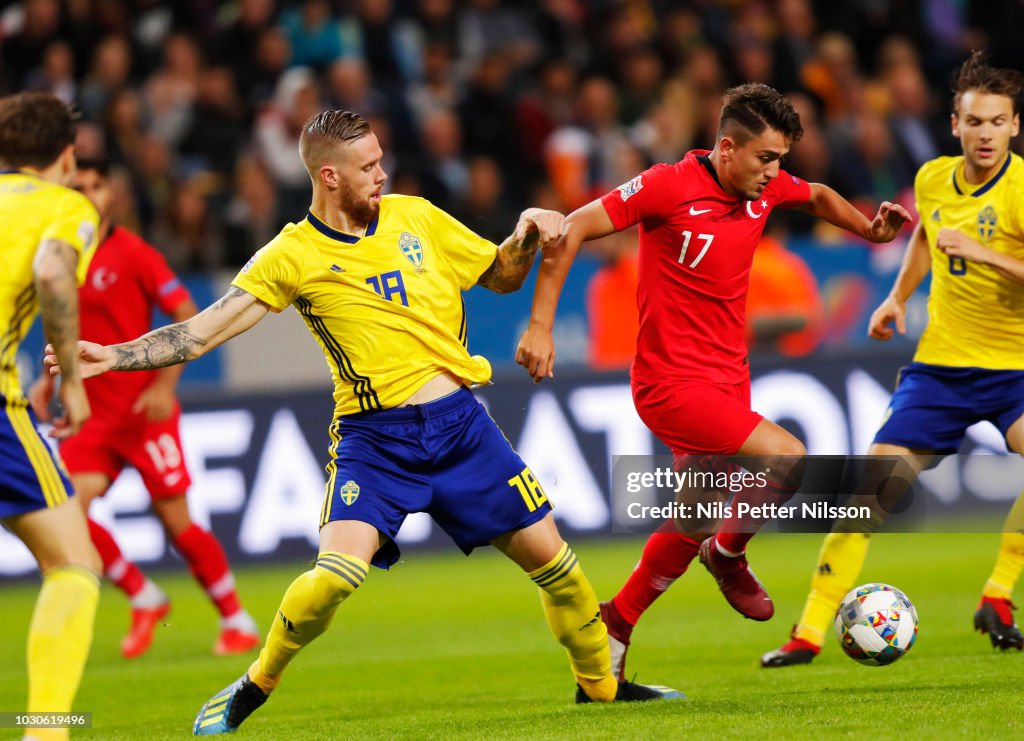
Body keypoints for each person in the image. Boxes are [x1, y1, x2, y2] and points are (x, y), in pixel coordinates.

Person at [45, 110, 682, 737]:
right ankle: (257, 681)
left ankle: (601, 688)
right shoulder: (291, 254)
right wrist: (114, 356)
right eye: (368, 167)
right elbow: (200, 330)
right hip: (375, 442)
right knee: (334, 579)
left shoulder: (418, 217)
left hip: (462, 427)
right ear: (328, 176)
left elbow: (503, 277)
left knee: (563, 570)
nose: (382, 174)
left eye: (381, 160)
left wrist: (524, 236)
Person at [515, 83, 911, 680]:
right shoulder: (666, 185)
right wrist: (541, 326)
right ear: (726, 148)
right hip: (670, 382)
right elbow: (568, 229)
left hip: (729, 379)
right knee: (790, 457)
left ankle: (616, 624)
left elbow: (821, 195)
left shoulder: (766, 184)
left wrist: (870, 230)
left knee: (693, 516)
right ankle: (728, 555)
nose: (774, 173)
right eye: (764, 159)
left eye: (780, 160)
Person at [762, 51, 1024, 667]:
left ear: (1015, 127)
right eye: (974, 121)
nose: (985, 133)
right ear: (954, 124)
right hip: (941, 370)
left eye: (998, 122)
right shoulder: (934, 179)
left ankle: (999, 596)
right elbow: (928, 239)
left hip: (1015, 370)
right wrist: (896, 297)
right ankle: (808, 632)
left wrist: (987, 256)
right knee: (871, 494)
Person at [28, 157, 261, 660]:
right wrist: (44, 381)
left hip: (140, 411)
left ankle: (235, 618)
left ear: (110, 192)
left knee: (176, 523)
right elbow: (59, 322)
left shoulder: (135, 254)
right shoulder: (61, 254)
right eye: (77, 185)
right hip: (90, 413)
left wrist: (164, 386)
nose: (87, 193)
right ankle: (142, 594)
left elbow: (185, 316)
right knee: (68, 511)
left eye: (95, 184)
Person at [0, 91, 101, 741]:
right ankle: (45, 730)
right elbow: (55, 276)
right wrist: (71, 380)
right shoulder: (67, 207)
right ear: (67, 155)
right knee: (74, 564)